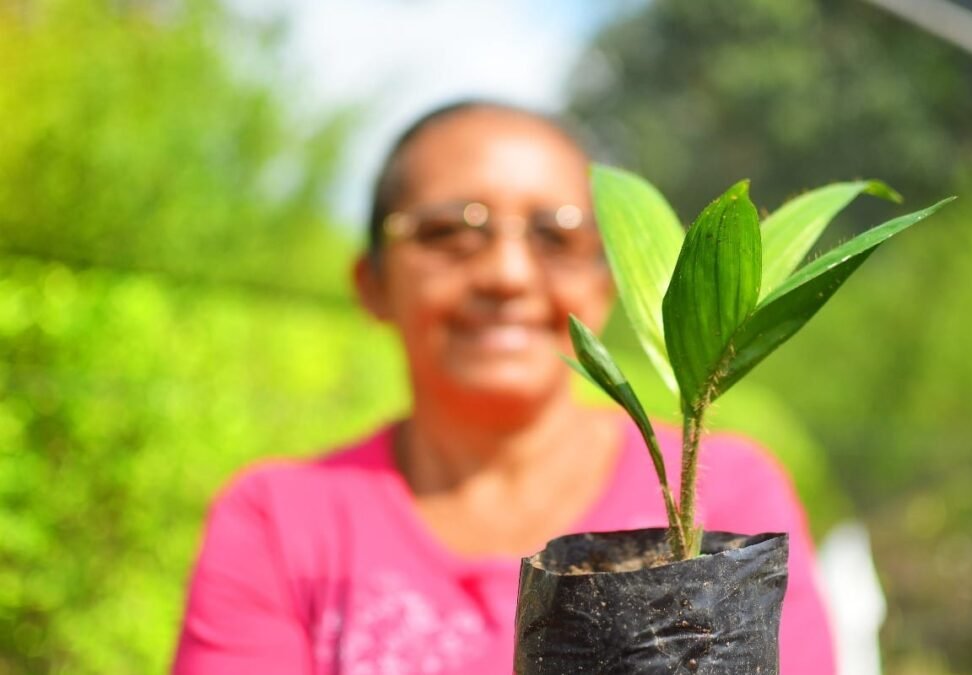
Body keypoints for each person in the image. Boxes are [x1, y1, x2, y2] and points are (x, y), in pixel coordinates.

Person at [172, 101, 836, 674]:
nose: (508, 274)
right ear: (371, 283)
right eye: (449, 231)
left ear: (610, 286)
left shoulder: (728, 496)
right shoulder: (281, 522)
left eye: (557, 235)